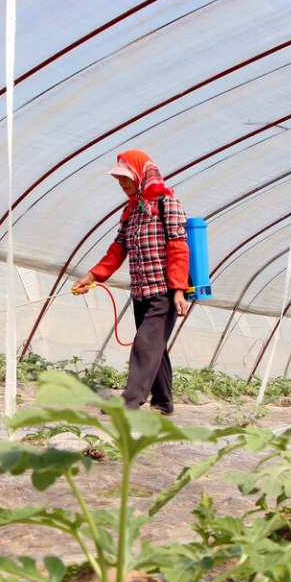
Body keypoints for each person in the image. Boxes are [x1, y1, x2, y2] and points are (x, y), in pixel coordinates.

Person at [72, 149, 190, 414]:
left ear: (140, 175)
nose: (122, 184)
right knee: (154, 346)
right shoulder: (131, 211)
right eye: (119, 180)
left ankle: (129, 402)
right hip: (141, 291)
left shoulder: (166, 204)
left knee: (145, 344)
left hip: (164, 291)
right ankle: (163, 402)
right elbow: (119, 248)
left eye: (126, 178)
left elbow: (178, 247)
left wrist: (179, 291)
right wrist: (92, 276)